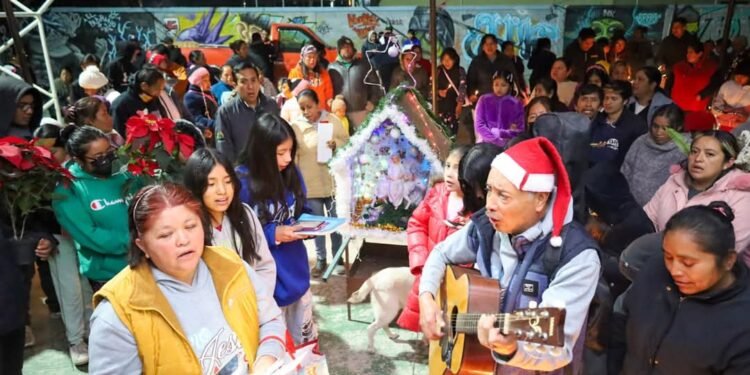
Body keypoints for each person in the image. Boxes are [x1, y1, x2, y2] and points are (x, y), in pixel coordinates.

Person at [419, 137, 600, 373]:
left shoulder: (576, 255)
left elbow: (556, 348)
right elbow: (440, 253)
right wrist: (427, 298)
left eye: (503, 196)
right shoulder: (485, 226)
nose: (490, 204)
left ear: (540, 199)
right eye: (489, 190)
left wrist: (511, 348)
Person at [88, 183, 285, 374]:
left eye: (190, 226)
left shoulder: (231, 265)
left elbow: (270, 320)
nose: (183, 240)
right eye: (166, 235)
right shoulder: (118, 314)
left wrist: (264, 364)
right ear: (142, 246)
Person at [616, 202, 750, 374]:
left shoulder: (743, 322)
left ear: (728, 260)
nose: (675, 271)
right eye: (669, 257)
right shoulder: (655, 269)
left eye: (688, 263)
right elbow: (623, 323)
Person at [236, 113, 317, 346]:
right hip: (267, 284)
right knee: (277, 349)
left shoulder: (291, 172)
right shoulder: (242, 182)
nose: (288, 159)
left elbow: (302, 209)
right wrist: (273, 234)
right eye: (280, 153)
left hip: (297, 274)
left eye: (290, 151)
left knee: (304, 344)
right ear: (261, 151)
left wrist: (312, 224)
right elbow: (237, 235)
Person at [52, 126, 143, 292]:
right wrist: (134, 242)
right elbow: (89, 234)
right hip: (110, 275)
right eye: (98, 156)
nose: (107, 158)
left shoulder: (124, 172)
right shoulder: (69, 189)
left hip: (146, 261)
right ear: (78, 160)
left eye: (109, 151)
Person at [30, 124, 93, 365]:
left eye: (51, 151)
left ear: (65, 148)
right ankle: (75, 339)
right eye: (39, 153)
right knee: (69, 290)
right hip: (59, 239)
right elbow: (35, 213)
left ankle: (93, 332)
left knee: (88, 287)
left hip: (86, 238)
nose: (45, 157)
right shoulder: (38, 176)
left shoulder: (78, 171)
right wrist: (45, 236)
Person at [642, 131, 750, 264]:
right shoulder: (675, 180)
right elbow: (647, 219)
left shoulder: (742, 196)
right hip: (657, 262)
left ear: (728, 163)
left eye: (709, 154)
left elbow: (725, 250)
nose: (698, 159)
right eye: (694, 152)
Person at [397, 146, 470, 332]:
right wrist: (421, 260)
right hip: (428, 273)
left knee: (452, 326)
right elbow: (416, 224)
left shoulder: (477, 206)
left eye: (458, 168)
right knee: (427, 320)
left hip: (458, 281)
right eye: (447, 166)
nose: (450, 174)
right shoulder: (436, 194)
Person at [184, 148, 276, 290]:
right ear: (196, 187)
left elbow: (265, 266)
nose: (222, 190)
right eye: (211, 184)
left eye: (227, 181)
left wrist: (257, 302)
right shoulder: (190, 228)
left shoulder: (245, 214)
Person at [290, 89, 348, 277]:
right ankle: (321, 259)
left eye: (309, 107)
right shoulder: (296, 127)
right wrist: (295, 183)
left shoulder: (332, 121)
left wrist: (335, 145)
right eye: (302, 108)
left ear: (318, 104)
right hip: (310, 183)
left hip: (331, 183)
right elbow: (293, 156)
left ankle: (338, 259)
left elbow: (347, 143)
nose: (306, 111)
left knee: (335, 223)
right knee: (317, 226)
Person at [621, 104, 689, 206]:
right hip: (630, 207)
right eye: (655, 126)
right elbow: (625, 171)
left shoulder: (685, 150)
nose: (658, 132)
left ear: (678, 128)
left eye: (665, 128)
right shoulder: (641, 142)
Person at [215, 62, 280, 163]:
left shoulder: (271, 106)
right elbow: (224, 149)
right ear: (235, 84)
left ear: (259, 81)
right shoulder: (226, 112)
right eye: (244, 82)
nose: (250, 86)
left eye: (253, 80)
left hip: (269, 170)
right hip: (241, 173)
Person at [589, 80, 648, 167]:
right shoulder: (596, 119)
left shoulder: (637, 125)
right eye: (606, 98)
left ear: (625, 101)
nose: (608, 102)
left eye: (614, 98)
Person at [328, 36, 377, 130]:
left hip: (361, 112)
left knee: (363, 140)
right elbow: (328, 88)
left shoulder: (365, 65)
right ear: (338, 50)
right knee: (343, 141)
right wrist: (331, 102)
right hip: (340, 113)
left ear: (353, 49)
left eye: (349, 46)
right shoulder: (332, 68)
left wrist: (373, 102)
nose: (346, 49)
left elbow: (376, 85)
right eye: (343, 47)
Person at [670, 40, 719, 130]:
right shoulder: (679, 66)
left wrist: (703, 94)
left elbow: (714, 84)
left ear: (699, 53)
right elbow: (670, 83)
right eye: (687, 52)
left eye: (691, 52)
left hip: (695, 108)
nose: (688, 55)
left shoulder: (710, 67)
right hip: (676, 106)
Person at [110, 66, 166, 137]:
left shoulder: (153, 97)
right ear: (144, 86)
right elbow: (120, 135)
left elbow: (163, 118)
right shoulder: (120, 105)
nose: (159, 93)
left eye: (161, 90)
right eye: (158, 89)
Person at [474, 70, 525, 147]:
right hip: (485, 143)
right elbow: (479, 125)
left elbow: (519, 129)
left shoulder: (516, 104)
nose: (499, 88)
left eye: (503, 85)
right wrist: (494, 139)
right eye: (496, 84)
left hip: (507, 145)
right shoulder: (484, 100)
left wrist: (501, 133)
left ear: (509, 86)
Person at [467, 34, 517, 105]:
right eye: (486, 44)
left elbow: (514, 78)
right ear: (483, 47)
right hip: (482, 100)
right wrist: (471, 94)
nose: (489, 47)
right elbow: (470, 80)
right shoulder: (477, 61)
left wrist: (516, 94)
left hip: (503, 100)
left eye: (491, 44)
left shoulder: (505, 60)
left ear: (496, 45)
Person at [289, 44, 334, 111]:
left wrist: (328, 112)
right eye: (309, 57)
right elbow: (293, 98)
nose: (312, 60)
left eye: (314, 57)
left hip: (321, 113)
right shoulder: (295, 73)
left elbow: (329, 94)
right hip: (303, 113)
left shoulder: (323, 73)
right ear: (302, 57)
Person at [435, 47, 467, 135]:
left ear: (455, 59)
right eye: (444, 59)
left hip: (454, 106)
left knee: (451, 131)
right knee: (439, 130)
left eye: (449, 59)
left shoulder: (460, 71)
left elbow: (462, 88)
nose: (447, 62)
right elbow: (432, 86)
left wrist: (459, 104)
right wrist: (438, 92)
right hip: (440, 106)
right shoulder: (438, 71)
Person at [712, 60, 750, 130]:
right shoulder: (728, 85)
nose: (739, 78)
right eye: (737, 75)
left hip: (742, 130)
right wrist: (728, 111)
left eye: (743, 76)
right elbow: (715, 106)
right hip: (722, 126)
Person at [183, 67, 219, 141]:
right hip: (208, 135)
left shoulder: (208, 92)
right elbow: (196, 119)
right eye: (205, 81)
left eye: (208, 80)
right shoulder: (190, 97)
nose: (209, 83)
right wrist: (217, 123)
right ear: (197, 81)